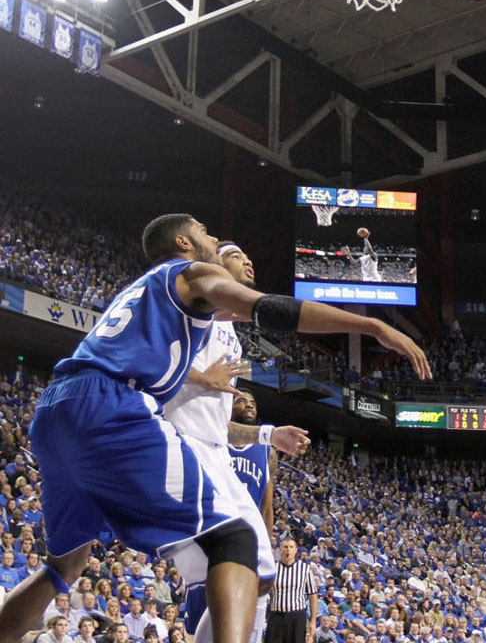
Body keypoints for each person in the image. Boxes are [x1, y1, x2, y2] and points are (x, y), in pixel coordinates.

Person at [0, 213, 430, 643]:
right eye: (205, 232)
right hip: (112, 405)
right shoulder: (191, 272)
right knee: (236, 540)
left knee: (63, 567)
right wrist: (372, 325)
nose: (212, 238)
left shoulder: (142, 289)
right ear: (184, 243)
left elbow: (224, 316)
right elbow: (270, 307)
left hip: (56, 407)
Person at [165, 240, 309, 643]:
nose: (248, 260)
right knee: (235, 574)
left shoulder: (230, 332)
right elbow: (152, 360)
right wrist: (198, 377)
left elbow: (221, 423)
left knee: (261, 576)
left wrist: (268, 434)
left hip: (212, 451)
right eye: (235, 255)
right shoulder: (193, 309)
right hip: (183, 448)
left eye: (249, 256)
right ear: (214, 265)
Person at [228, 386, 281, 643]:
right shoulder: (216, 441)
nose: (249, 405)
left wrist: (267, 543)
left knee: (261, 588)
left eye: (252, 402)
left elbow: (267, 507)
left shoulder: (266, 451)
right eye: (241, 401)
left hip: (250, 531)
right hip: (219, 526)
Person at [266, 537, 317, 643]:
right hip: (276, 616)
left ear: (296, 550)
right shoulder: (273, 568)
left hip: (297, 617)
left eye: (291, 547)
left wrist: (313, 621)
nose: (288, 550)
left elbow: (313, 595)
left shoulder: (305, 568)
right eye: (285, 547)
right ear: (280, 549)